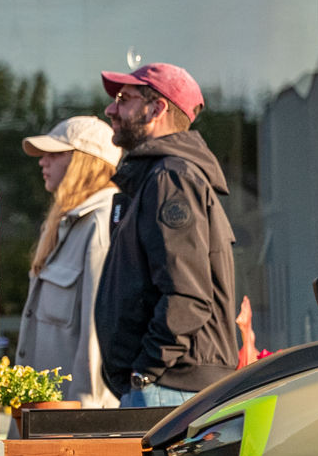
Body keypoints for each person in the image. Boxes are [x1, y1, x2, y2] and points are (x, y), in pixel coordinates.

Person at [93, 63, 238, 409]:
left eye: (124, 99)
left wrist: (147, 369)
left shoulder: (171, 178)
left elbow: (188, 294)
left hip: (171, 385)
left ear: (156, 109)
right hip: (167, 383)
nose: (111, 109)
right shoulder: (158, 177)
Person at [14, 116, 121, 407]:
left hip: (73, 423)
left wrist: (85, 417)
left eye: (55, 153)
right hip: (46, 415)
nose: (42, 162)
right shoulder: (66, 223)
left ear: (85, 161)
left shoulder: (102, 222)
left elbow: (97, 333)